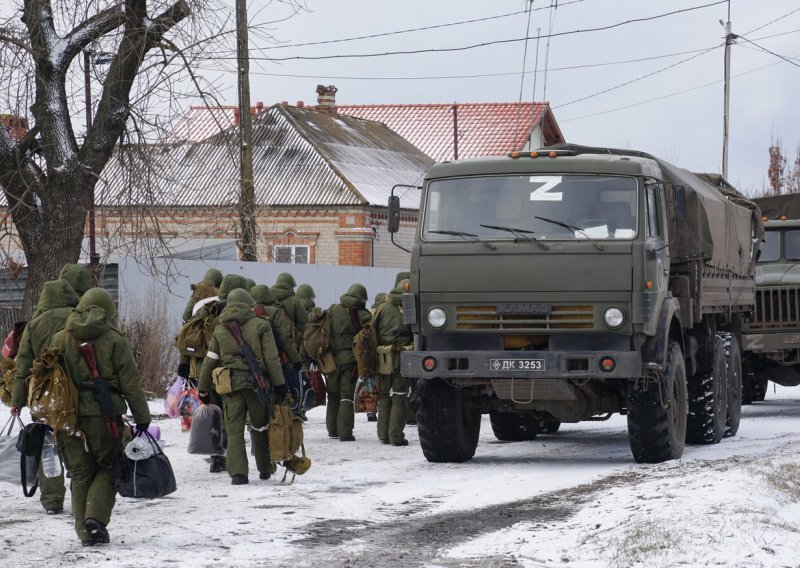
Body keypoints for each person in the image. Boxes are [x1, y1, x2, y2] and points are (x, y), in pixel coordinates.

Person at [50, 288, 151, 546]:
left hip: (67, 414)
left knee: (81, 471)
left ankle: (84, 532)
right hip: (103, 415)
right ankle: (95, 520)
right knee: (109, 466)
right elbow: (131, 382)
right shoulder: (114, 339)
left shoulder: (60, 337)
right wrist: (142, 416)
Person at [198, 288, 287, 485]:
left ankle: (238, 474)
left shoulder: (220, 329)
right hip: (258, 385)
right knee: (260, 426)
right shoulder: (261, 325)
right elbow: (272, 359)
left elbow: (210, 360)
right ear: (249, 304)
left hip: (230, 386)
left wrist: (203, 388)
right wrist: (280, 385)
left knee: (234, 430)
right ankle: (265, 469)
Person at [10, 279, 79, 515]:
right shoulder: (78, 317)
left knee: (48, 446)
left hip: (44, 395)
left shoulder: (34, 325)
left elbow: (23, 367)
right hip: (76, 393)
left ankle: (52, 500)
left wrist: (18, 400)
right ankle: (83, 493)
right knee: (78, 440)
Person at [179, 273, 247, 470]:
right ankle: (226, 452)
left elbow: (189, 336)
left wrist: (184, 363)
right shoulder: (235, 309)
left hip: (203, 368)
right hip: (226, 369)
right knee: (227, 412)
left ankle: (216, 458)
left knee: (211, 413)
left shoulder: (201, 309)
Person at [326, 284, 371, 441]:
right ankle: (345, 432)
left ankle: (332, 429)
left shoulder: (332, 309)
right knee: (346, 396)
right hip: (350, 361)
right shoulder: (362, 314)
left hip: (331, 360)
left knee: (332, 394)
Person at [372, 279, 413, 446]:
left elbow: (371, 329)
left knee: (384, 396)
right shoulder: (410, 307)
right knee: (399, 395)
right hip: (403, 356)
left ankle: (383, 434)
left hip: (383, 357)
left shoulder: (382, 306)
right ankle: (396, 436)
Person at [250, 285, 302, 370]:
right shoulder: (274, 311)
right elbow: (284, 338)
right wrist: (296, 360)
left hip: (254, 362)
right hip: (275, 359)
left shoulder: (248, 312)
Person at [271, 272, 308, 350]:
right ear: (290, 285)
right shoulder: (295, 301)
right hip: (289, 343)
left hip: (271, 340)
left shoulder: (269, 297)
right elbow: (304, 325)